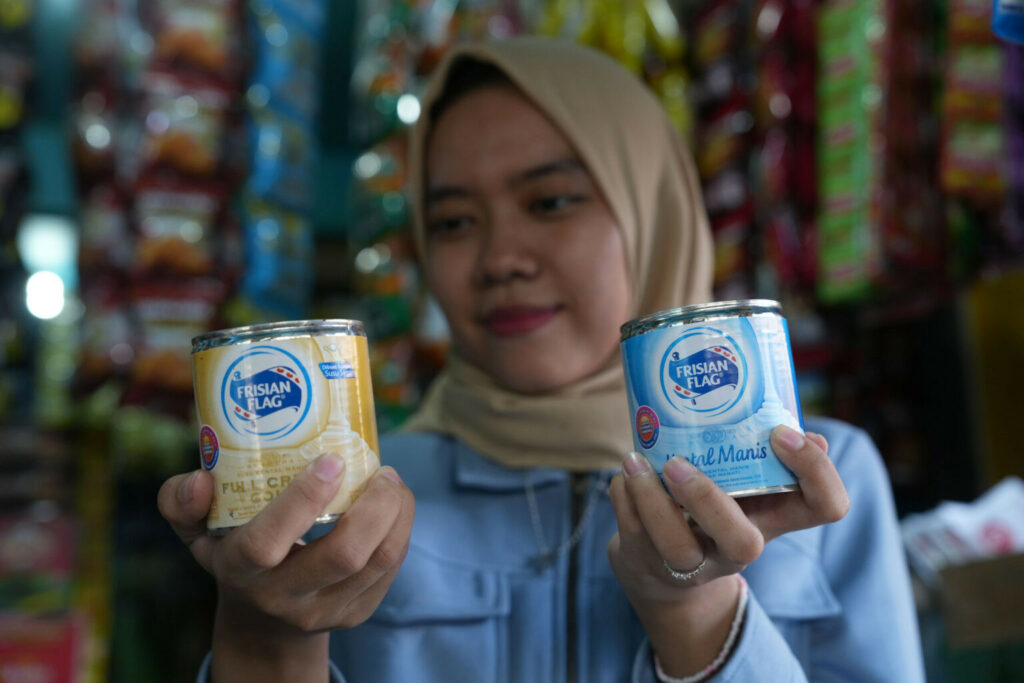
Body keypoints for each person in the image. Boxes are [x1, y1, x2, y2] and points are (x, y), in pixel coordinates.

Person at [158, 38, 926, 683]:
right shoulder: (361, 494)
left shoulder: (814, 476)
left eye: (551, 202)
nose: (500, 258)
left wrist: (697, 613)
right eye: (454, 220)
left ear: (650, 211)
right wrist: (266, 639)